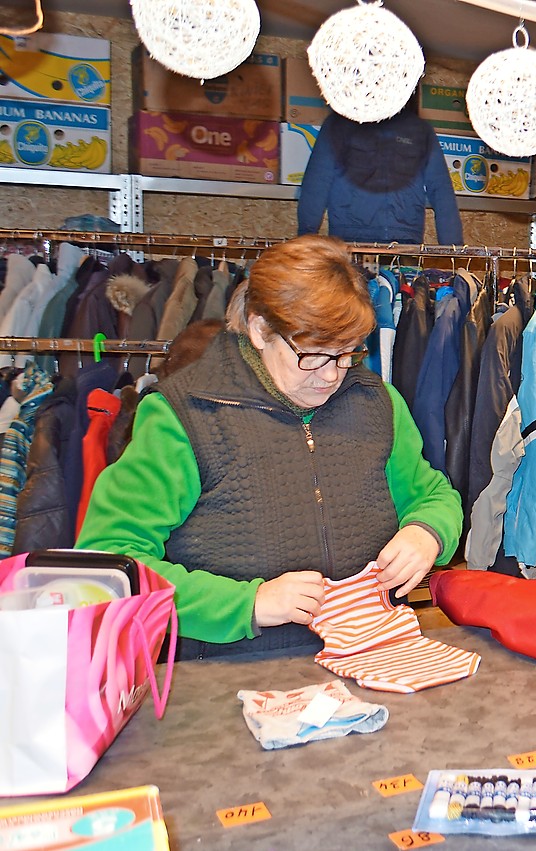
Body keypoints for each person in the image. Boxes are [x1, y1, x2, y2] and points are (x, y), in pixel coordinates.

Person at [77, 235, 463, 658]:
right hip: (231, 683)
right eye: (313, 354)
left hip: (372, 662)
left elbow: (433, 494)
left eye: (347, 353)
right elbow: (110, 564)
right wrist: (248, 605)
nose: (332, 375)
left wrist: (427, 532)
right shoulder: (183, 418)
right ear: (261, 329)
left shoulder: (378, 403)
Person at [297, 95, 464, 246]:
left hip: (404, 241)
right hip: (350, 239)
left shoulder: (419, 131)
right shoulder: (337, 126)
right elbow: (317, 181)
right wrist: (306, 236)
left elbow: (441, 189)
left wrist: (453, 247)